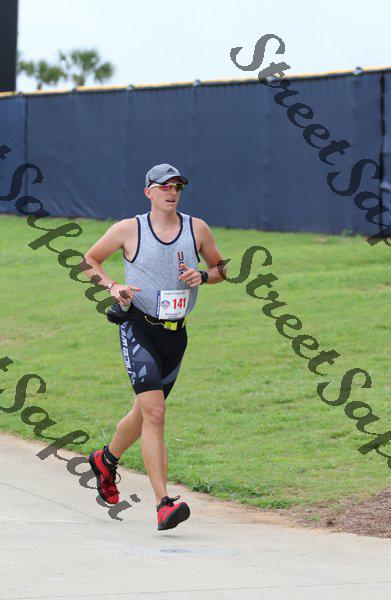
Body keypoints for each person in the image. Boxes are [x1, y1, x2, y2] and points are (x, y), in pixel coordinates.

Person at [83, 163, 226, 530]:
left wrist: (203, 275)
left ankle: (105, 460)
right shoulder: (129, 229)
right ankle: (163, 503)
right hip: (139, 328)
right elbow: (90, 260)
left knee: (144, 413)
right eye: (164, 186)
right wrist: (113, 286)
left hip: (176, 335)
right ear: (149, 191)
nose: (172, 192)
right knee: (156, 414)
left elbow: (221, 269)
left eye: (177, 186)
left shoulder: (197, 228)